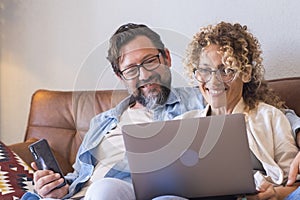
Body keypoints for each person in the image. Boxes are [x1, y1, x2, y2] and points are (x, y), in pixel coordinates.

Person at [21, 23, 300, 200]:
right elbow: (76, 178)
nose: (144, 75)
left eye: (150, 60)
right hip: (92, 194)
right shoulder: (102, 123)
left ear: (166, 58)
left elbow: (258, 117)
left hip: (163, 193)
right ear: (120, 76)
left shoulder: (199, 100)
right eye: (131, 69)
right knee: (100, 190)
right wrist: (53, 188)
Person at [178, 21, 300, 199]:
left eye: (225, 70)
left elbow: (293, 182)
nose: (214, 81)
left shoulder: (270, 117)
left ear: (246, 73)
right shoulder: (183, 124)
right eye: (205, 70)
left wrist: (275, 194)